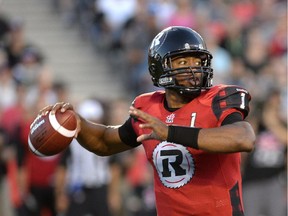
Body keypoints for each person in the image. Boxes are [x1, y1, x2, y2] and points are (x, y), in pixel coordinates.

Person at [40, 26, 255, 216]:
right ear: (160, 67)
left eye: (197, 61)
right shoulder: (148, 108)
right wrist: (77, 124)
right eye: (183, 61)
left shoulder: (218, 99)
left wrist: (169, 132)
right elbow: (105, 142)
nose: (193, 70)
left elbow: (244, 139)